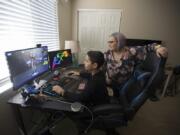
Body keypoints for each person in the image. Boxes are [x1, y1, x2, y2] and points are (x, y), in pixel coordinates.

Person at [104, 32, 168, 97]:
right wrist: (108, 76)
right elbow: (105, 66)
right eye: (108, 42)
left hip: (125, 84)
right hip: (111, 83)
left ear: (119, 42)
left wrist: (159, 48)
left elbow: (148, 47)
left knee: (122, 99)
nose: (109, 44)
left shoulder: (131, 51)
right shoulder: (107, 53)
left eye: (111, 42)